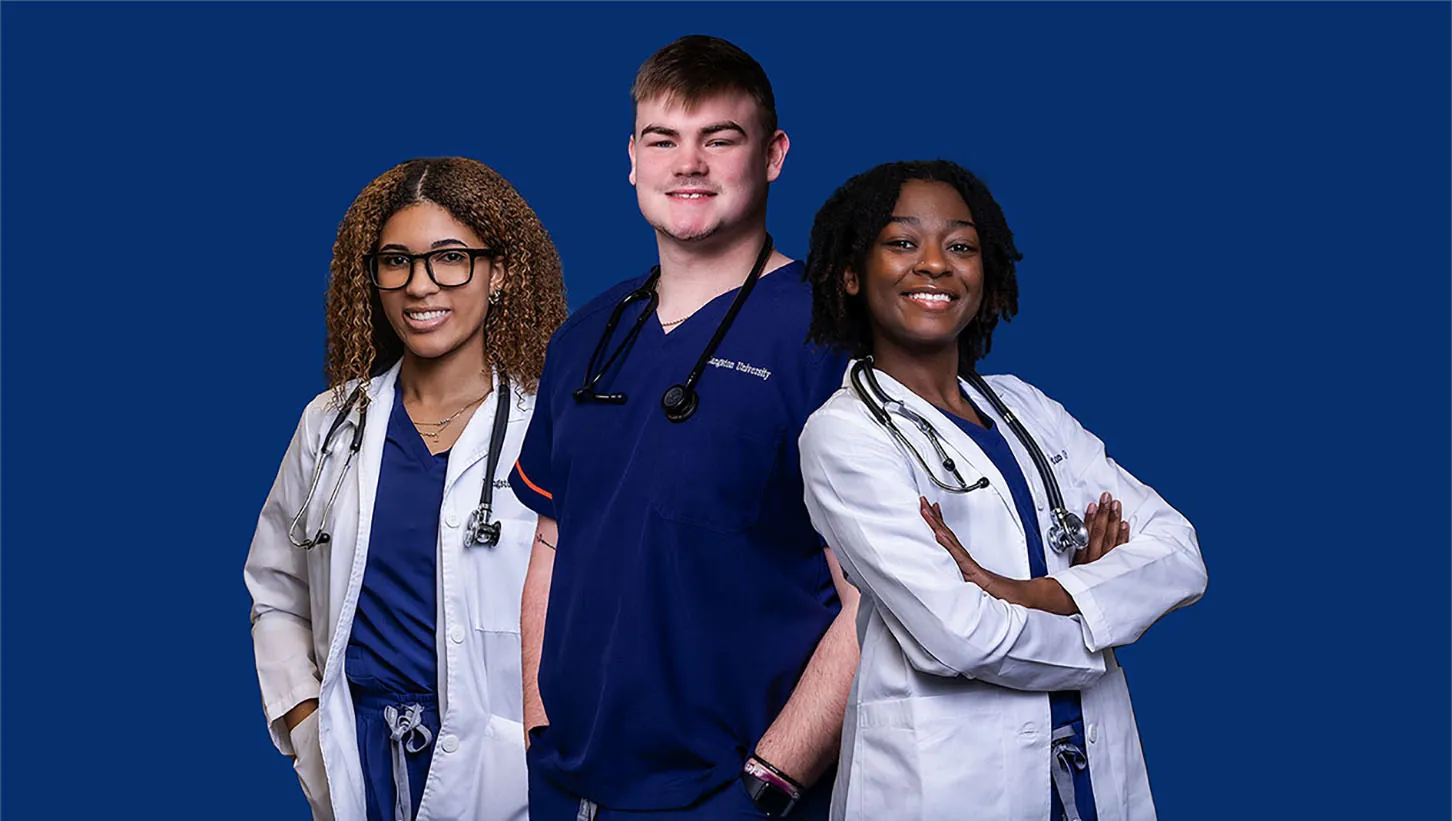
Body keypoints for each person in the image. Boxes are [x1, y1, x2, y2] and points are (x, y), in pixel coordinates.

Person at [508, 35, 859, 821]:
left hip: (731, 796)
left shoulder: (830, 342)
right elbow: (551, 544)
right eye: (664, 140)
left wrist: (770, 782)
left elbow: (877, 600)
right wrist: (539, 733)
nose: (688, 164)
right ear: (633, 158)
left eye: (719, 139)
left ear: (772, 155)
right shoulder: (586, 336)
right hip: (569, 790)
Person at [798, 160, 1208, 821]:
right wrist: (1102, 621)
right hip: (945, 788)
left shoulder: (1027, 406)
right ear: (851, 271)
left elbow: (1180, 553)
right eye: (902, 242)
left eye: (960, 246)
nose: (934, 264)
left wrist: (1038, 592)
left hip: (1090, 775)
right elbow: (961, 636)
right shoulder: (844, 436)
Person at [245, 157, 567, 821]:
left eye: (450, 258)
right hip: (356, 761)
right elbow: (275, 593)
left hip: (505, 777)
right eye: (397, 261)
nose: (420, 286)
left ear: (499, 272)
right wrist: (310, 729)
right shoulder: (330, 424)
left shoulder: (555, 428)